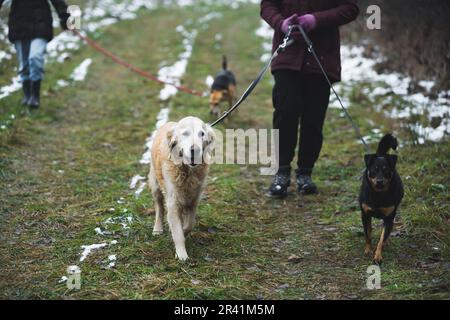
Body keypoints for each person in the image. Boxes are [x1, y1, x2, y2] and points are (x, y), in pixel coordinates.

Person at [261, 0, 359, 198]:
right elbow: (267, 6)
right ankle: (281, 172)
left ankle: (305, 174)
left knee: (314, 118)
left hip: (322, 57)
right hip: (286, 54)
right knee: (285, 112)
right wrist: (281, 23)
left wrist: (316, 20)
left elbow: (350, 8)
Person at [0, 0, 70, 109]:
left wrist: (67, 20)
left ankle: (35, 96)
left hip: (41, 24)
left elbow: (59, 2)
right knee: (24, 64)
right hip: (19, 26)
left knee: (35, 57)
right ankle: (27, 96)